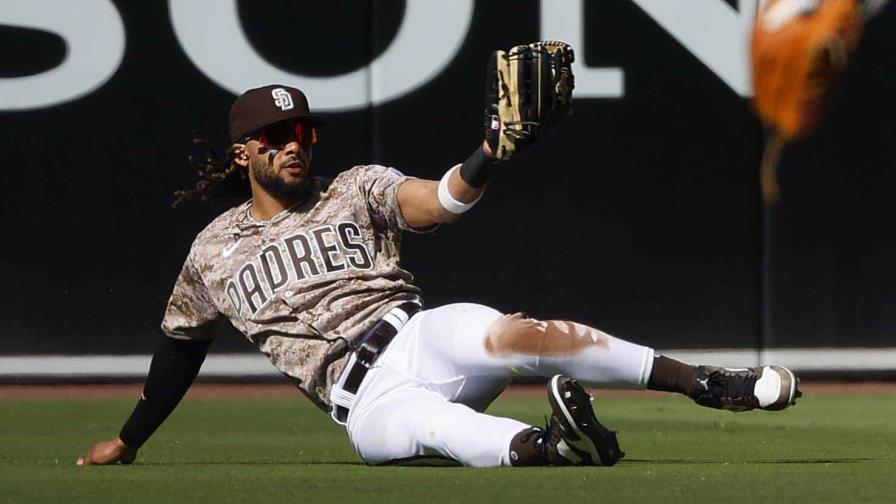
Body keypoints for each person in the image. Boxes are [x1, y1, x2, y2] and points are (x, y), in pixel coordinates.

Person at [78, 85, 800, 468]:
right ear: (244, 154)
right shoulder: (211, 251)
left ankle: (705, 383)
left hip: (416, 337)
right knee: (438, 428)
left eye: (304, 132)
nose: (295, 145)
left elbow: (441, 199)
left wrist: (489, 152)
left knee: (509, 332)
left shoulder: (352, 187)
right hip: (361, 405)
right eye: (277, 137)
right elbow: (181, 346)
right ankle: (551, 449)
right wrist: (132, 437)